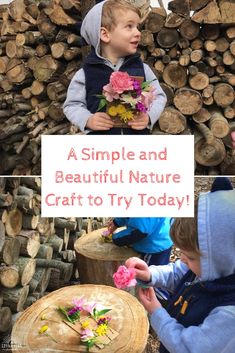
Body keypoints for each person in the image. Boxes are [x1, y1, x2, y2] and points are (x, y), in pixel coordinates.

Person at [125, 177, 235, 353]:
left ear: (223, 257)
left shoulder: (229, 316)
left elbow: (187, 347)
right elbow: (179, 272)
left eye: (190, 257)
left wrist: (157, 313)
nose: (182, 259)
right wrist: (150, 274)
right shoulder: (212, 268)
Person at [63, 0, 166, 135]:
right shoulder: (85, 74)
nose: (138, 32)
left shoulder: (143, 69)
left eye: (137, 26)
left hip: (136, 150)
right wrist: (87, 119)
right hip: (103, 151)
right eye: (129, 26)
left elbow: (159, 97)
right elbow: (72, 105)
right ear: (105, 35)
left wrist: (148, 116)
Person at [108, 217, 172, 300]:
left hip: (154, 247)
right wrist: (116, 222)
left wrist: (116, 238)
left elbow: (141, 231)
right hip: (160, 238)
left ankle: (161, 299)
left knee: (152, 278)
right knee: (159, 272)